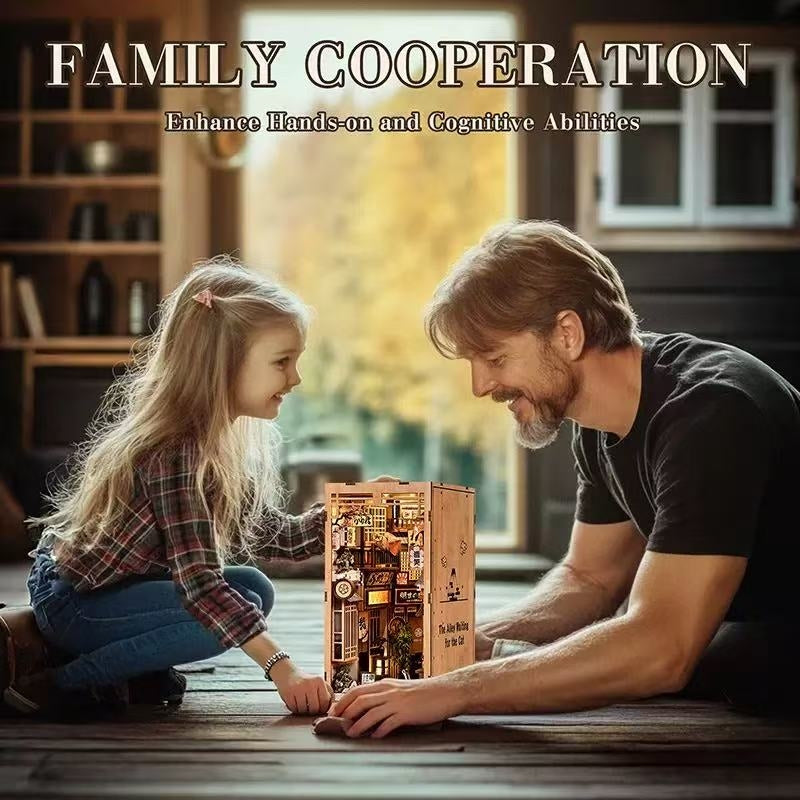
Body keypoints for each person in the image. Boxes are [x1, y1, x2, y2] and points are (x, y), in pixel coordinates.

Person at [329, 219, 800, 738]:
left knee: (714, 650)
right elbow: (589, 579)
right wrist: (459, 644)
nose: (481, 385)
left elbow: (661, 649)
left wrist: (453, 690)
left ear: (568, 333)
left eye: (495, 357)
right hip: (745, 659)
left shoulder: (712, 413)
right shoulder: (602, 425)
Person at [0, 257, 334, 717]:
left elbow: (270, 536)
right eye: (282, 362)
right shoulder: (178, 451)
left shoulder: (215, 444)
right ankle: (61, 684)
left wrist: (347, 515)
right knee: (214, 621)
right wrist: (283, 668)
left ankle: (119, 668)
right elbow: (200, 586)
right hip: (75, 601)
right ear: (224, 364)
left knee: (255, 588)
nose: (294, 378)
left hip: (116, 590)